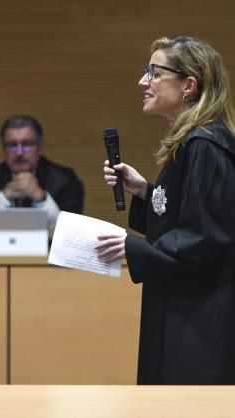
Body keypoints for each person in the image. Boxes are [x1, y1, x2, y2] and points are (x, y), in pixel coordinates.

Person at [96, 36, 235, 385]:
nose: (143, 82)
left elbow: (204, 237)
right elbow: (187, 212)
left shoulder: (206, 144)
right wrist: (145, 191)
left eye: (155, 73)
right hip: (183, 304)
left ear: (189, 85)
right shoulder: (192, 141)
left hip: (201, 316)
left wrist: (132, 246)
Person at [0, 115, 85, 239]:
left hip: (48, 256)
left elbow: (69, 235)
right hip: (0, 256)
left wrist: (41, 198)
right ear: (3, 150)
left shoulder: (65, 180)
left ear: (40, 147)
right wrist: (3, 197)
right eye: (12, 145)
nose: (19, 152)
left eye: (27, 144)